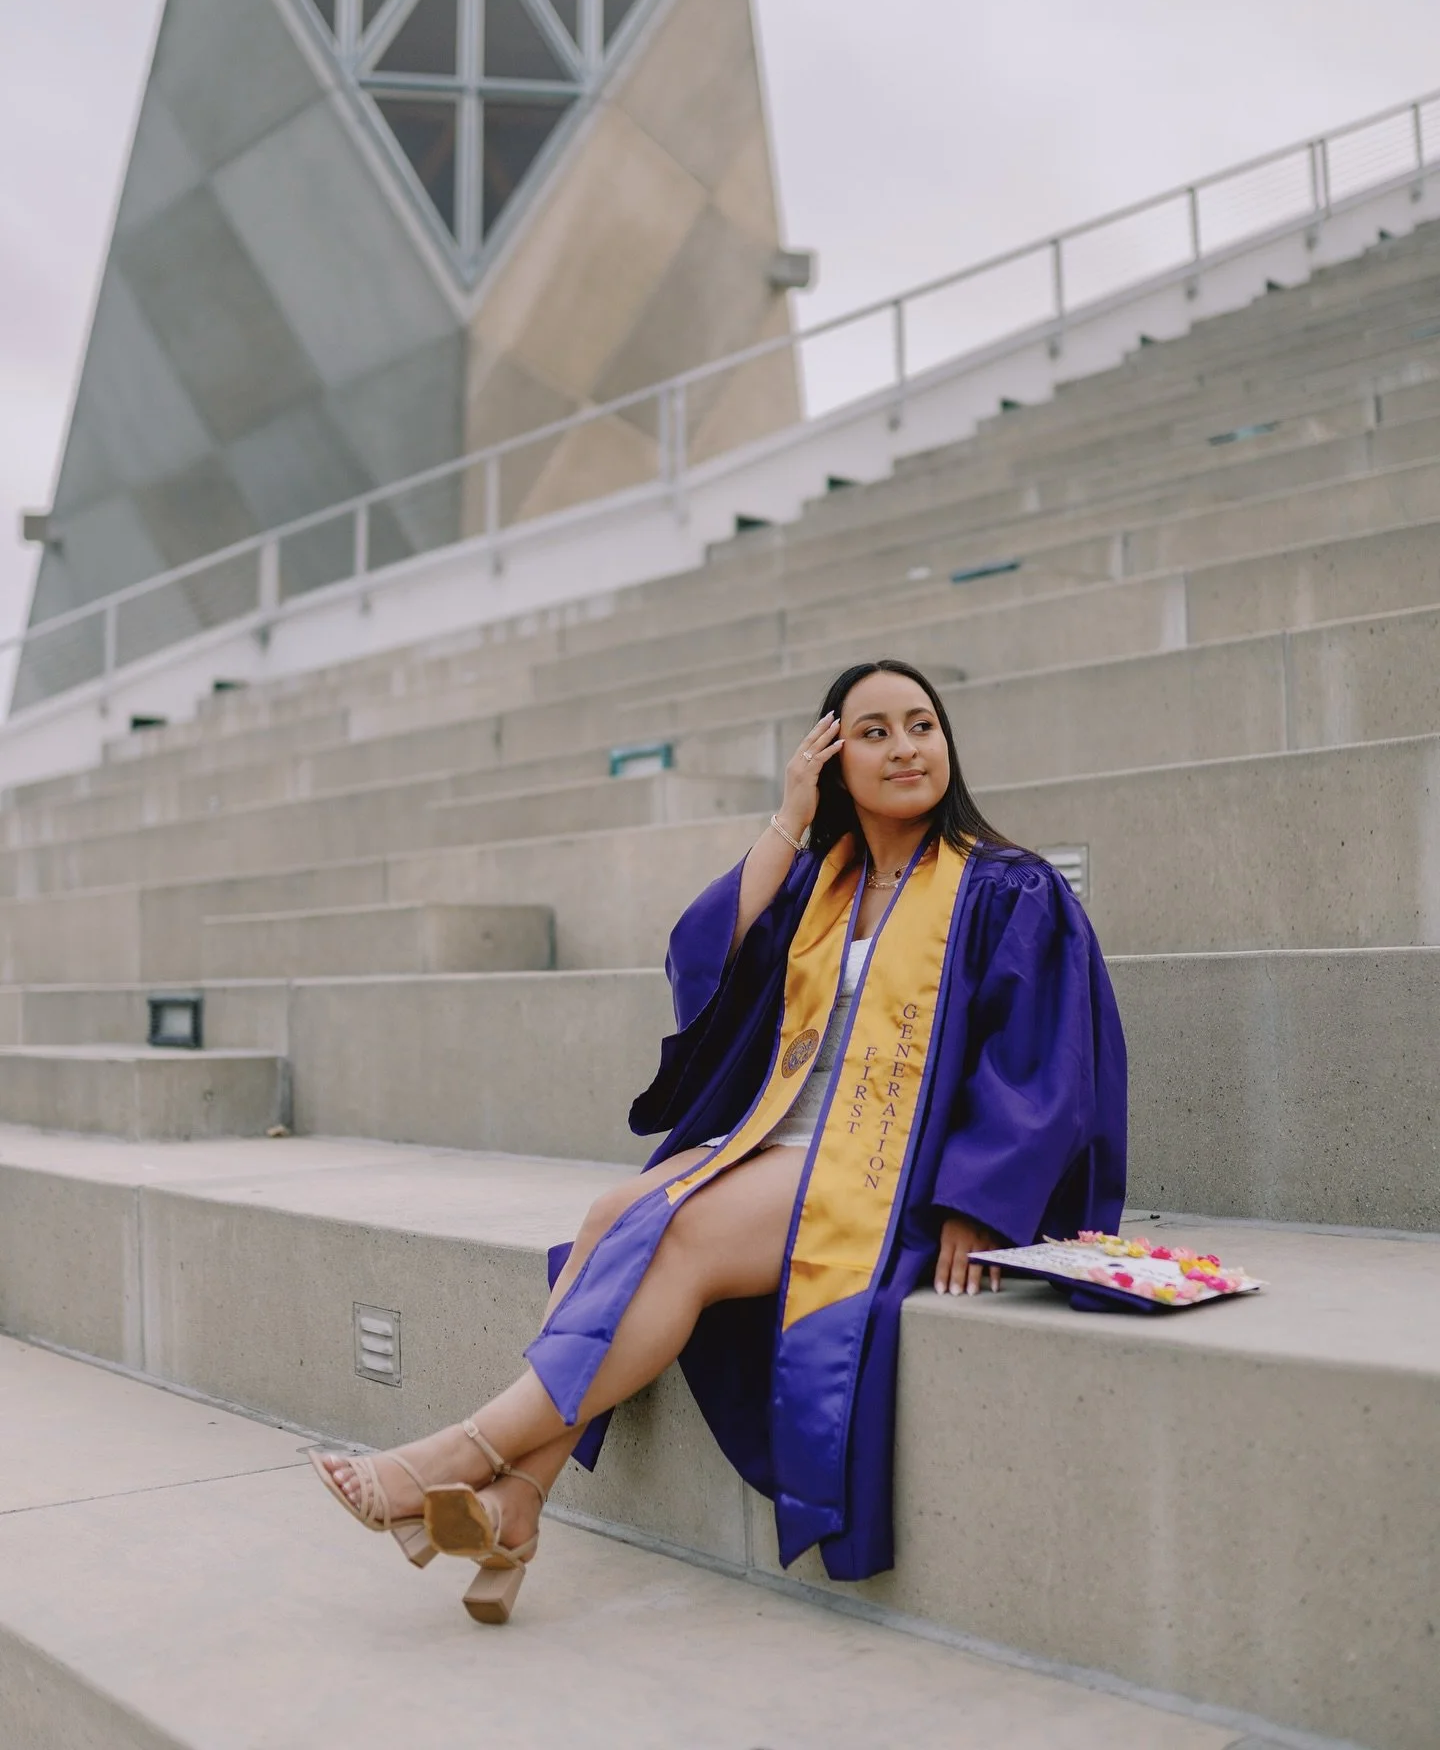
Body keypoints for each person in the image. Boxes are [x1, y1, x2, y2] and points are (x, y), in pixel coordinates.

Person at [311, 658, 1127, 1621]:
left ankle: (457, 1454)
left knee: (678, 1230)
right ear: (832, 757)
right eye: (873, 732)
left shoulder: (1008, 888)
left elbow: (1043, 1062)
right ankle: (519, 1502)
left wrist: (979, 1199)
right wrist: (789, 817)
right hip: (785, 1141)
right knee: (609, 1214)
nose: (905, 748)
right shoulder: (824, 884)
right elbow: (705, 956)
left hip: (896, 1167)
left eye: (921, 725)